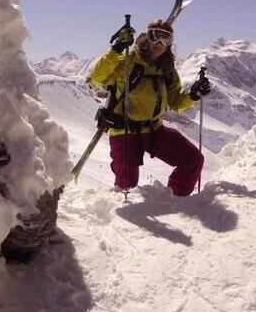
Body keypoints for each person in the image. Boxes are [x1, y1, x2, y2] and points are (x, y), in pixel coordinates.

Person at [89, 18, 212, 196]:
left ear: (170, 43)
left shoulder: (167, 70)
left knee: (193, 159)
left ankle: (175, 200)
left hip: (154, 130)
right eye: (156, 36)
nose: (160, 43)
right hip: (124, 131)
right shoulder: (127, 61)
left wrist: (193, 95)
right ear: (147, 37)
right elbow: (97, 78)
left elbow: (175, 102)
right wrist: (116, 49)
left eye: (166, 39)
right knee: (127, 186)